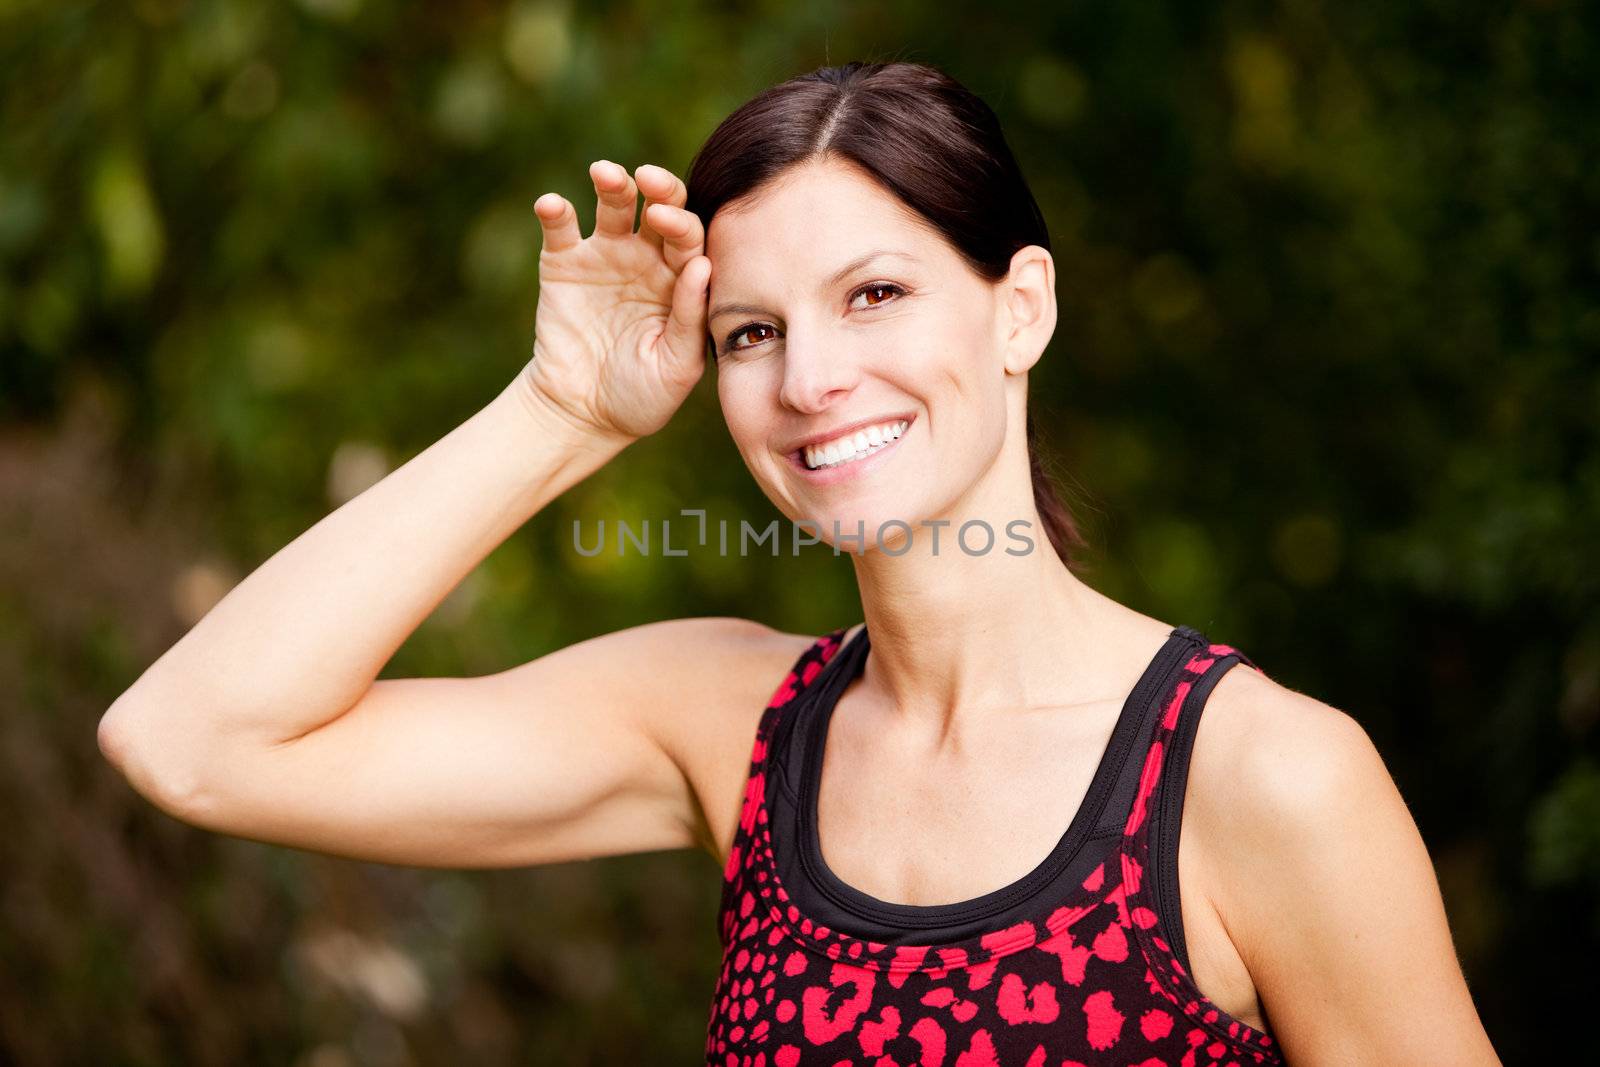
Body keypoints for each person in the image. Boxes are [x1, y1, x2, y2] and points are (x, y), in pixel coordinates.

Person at [98, 61, 1501, 1065]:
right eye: (751, 332)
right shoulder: (735, 726)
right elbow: (194, 742)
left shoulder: (1264, 777)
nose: (813, 378)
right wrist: (563, 411)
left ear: (1021, 310)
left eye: (875, 295)